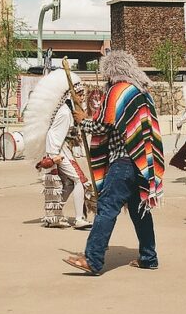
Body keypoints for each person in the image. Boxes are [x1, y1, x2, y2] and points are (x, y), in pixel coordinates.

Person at [63, 51, 164, 274]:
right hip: (143, 163)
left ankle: (93, 259)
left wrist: (83, 122)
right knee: (140, 211)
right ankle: (149, 257)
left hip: (124, 160)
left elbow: (103, 125)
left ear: (110, 72)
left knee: (107, 207)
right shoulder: (141, 92)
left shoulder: (117, 91)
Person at [21, 68, 93, 229]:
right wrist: (54, 156)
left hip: (60, 150)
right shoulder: (65, 114)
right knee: (79, 181)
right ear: (71, 95)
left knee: (68, 184)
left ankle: (53, 215)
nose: (82, 98)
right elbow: (54, 136)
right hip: (58, 152)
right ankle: (79, 218)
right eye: (80, 94)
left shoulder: (66, 112)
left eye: (82, 94)